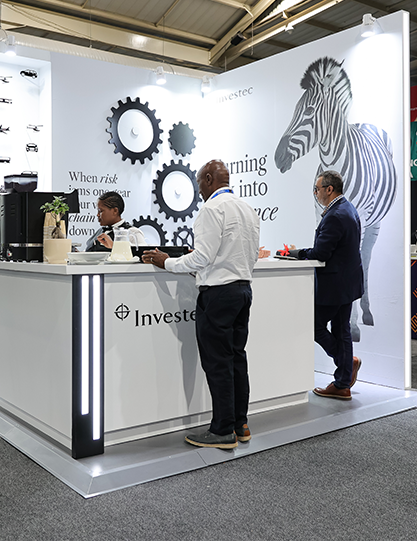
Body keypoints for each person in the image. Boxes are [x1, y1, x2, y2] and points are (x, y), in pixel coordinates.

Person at [143, 160, 260, 449]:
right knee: (237, 359)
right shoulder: (248, 209)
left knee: (218, 363)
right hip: (243, 291)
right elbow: (246, 255)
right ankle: (240, 424)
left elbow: (202, 258)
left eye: (199, 184)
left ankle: (222, 430)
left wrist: (167, 262)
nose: (199, 191)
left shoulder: (211, 209)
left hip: (218, 295)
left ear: (208, 179)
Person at [286, 170, 364, 400]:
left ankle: (346, 366)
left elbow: (321, 253)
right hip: (346, 283)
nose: (315, 193)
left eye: (317, 189)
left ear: (329, 189)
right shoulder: (348, 209)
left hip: (334, 285)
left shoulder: (335, 215)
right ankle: (342, 382)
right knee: (341, 330)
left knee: (314, 326)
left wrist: (295, 253)